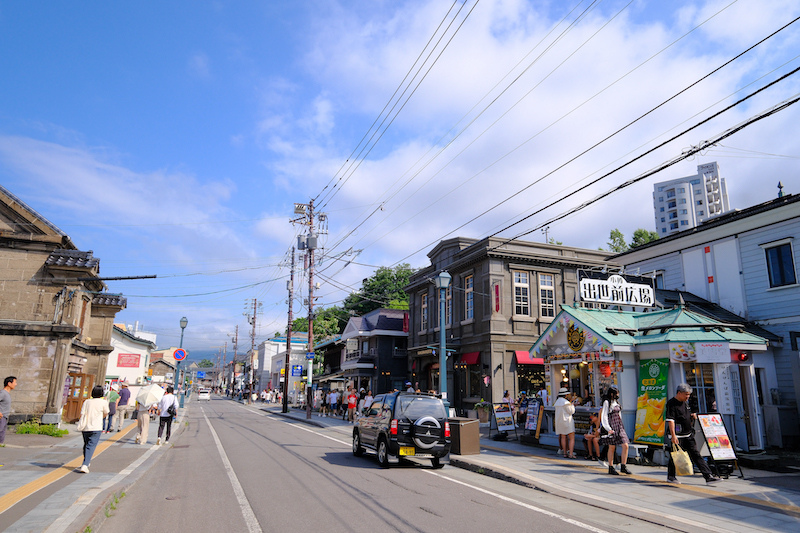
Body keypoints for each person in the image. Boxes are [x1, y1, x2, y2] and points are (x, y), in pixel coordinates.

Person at [666, 383, 720, 484]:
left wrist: (692, 416)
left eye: (689, 395)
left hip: (688, 434)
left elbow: (685, 414)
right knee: (675, 455)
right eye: (686, 394)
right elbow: (671, 420)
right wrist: (673, 435)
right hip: (677, 435)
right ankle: (671, 476)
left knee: (696, 454)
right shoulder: (671, 403)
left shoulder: (685, 403)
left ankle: (708, 476)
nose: (688, 396)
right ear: (679, 393)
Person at [76, 385, 109, 473]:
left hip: (86, 426)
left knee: (86, 444)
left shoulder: (87, 401)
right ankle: (85, 465)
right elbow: (106, 413)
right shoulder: (103, 402)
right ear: (102, 393)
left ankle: (86, 461)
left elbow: (82, 413)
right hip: (96, 427)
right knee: (91, 445)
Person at [601, 386, 630, 475]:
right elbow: (604, 415)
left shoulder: (616, 402)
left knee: (625, 444)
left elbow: (619, 414)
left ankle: (623, 466)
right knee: (612, 447)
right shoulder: (607, 402)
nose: (618, 395)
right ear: (612, 394)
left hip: (619, 425)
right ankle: (611, 466)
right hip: (611, 425)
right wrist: (608, 428)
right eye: (616, 394)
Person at [554, 387, 577, 458]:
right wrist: (572, 405)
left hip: (559, 421)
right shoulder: (566, 403)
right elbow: (571, 411)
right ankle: (570, 453)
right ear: (565, 395)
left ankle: (564, 452)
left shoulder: (557, 402)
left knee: (563, 437)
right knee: (571, 437)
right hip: (567, 421)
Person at [1, 376, 17, 446]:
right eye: (15, 382)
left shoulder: (7, 394)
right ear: (9, 383)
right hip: (1, 417)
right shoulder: (3, 393)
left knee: (1, 435)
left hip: (5, 417)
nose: (16, 384)